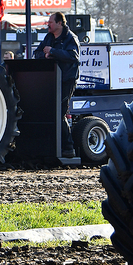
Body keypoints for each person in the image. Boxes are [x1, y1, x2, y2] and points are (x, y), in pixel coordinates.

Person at [33, 12, 80, 158]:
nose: (48, 24)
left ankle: (68, 147)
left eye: (51, 22)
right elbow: (37, 52)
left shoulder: (70, 38)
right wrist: (46, 55)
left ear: (60, 23)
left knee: (60, 111)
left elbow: (73, 56)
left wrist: (53, 51)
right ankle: (52, 146)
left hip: (66, 80)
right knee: (49, 111)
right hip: (51, 79)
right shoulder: (48, 37)